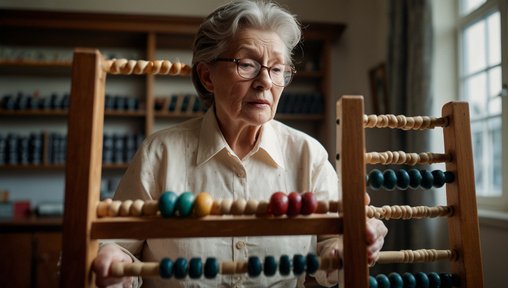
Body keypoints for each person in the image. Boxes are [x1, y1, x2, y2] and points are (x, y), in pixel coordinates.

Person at [93, 0, 387, 287]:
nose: (265, 82)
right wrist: (110, 260)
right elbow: (118, 247)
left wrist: (351, 246)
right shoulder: (160, 154)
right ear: (207, 76)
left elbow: (331, 245)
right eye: (247, 64)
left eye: (276, 69)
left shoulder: (308, 155)